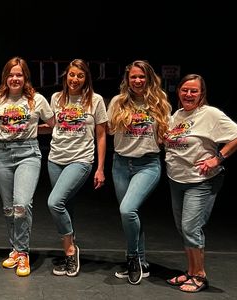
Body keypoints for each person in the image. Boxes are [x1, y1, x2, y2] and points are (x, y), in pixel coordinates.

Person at [163, 74, 237, 293]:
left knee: (190, 227)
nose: (189, 94)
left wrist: (218, 158)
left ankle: (200, 275)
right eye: (185, 90)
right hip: (177, 179)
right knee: (183, 228)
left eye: (194, 91)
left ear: (201, 94)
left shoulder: (210, 114)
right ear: (179, 91)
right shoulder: (176, 115)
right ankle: (190, 271)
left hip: (201, 181)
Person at [0, 57, 54, 277]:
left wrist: (32, 130)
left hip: (28, 153)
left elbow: (53, 125)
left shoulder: (37, 100)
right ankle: (15, 249)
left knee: (21, 204)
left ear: (25, 78)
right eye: (11, 75)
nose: (15, 79)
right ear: (5, 77)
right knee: (8, 208)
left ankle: (23, 253)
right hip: (2, 154)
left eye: (19, 75)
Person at [106, 60, 171, 285]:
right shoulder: (117, 102)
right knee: (132, 214)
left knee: (127, 209)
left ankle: (132, 258)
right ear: (127, 79)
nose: (137, 81)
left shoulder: (160, 102)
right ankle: (142, 262)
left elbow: (166, 135)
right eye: (133, 77)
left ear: (149, 79)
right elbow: (109, 130)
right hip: (121, 164)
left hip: (148, 164)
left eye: (142, 77)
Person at [45, 58, 107, 277]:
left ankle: (71, 250)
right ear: (66, 76)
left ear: (86, 79)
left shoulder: (95, 100)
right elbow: (52, 127)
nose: (75, 79)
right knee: (66, 207)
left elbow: (101, 135)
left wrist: (100, 168)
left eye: (80, 76)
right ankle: (68, 252)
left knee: (54, 202)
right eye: (72, 75)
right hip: (55, 159)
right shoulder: (56, 98)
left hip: (80, 160)